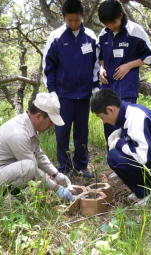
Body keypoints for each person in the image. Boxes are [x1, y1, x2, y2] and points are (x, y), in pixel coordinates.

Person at [91, 89, 151, 205]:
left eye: (101, 117)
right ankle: (145, 189)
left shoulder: (135, 118)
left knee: (115, 157)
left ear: (111, 109)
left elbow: (143, 156)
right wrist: (121, 133)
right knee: (117, 154)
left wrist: (119, 143)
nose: (104, 122)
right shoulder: (128, 111)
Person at [0, 92, 74, 202]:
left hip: (1, 174)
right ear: (39, 116)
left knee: (29, 166)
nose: (52, 126)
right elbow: (34, 170)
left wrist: (56, 174)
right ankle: (4, 199)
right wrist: (57, 188)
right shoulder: (18, 133)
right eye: (51, 122)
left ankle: (13, 196)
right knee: (29, 167)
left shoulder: (28, 127)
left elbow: (39, 155)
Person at [43, 0, 100, 178]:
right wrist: (52, 92)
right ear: (63, 18)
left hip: (83, 95)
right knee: (62, 132)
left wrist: (95, 87)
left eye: (76, 20)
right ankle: (64, 167)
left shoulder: (90, 36)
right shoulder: (56, 37)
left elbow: (96, 65)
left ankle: (82, 165)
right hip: (62, 96)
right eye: (70, 20)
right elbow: (48, 66)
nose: (74, 24)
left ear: (82, 17)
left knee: (82, 132)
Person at [97, 0, 151, 141]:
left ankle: (129, 158)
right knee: (109, 125)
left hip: (127, 87)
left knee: (126, 124)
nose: (111, 27)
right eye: (107, 25)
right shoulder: (103, 34)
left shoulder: (135, 30)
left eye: (114, 23)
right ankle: (113, 158)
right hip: (107, 87)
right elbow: (100, 57)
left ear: (121, 15)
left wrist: (129, 65)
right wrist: (101, 68)